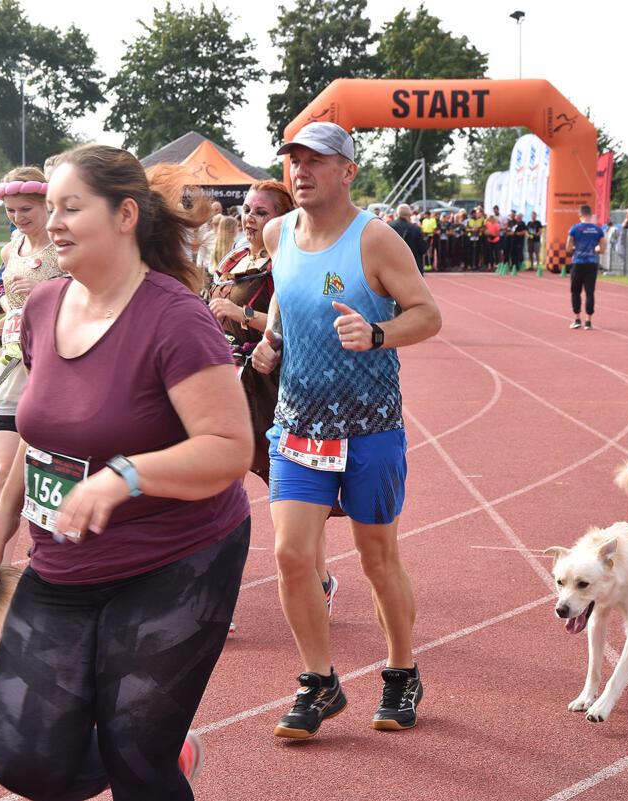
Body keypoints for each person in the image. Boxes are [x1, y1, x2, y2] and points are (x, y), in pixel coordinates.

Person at [0, 144, 253, 801]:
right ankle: (153, 741)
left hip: (174, 559)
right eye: (51, 207)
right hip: (64, 558)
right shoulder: (44, 306)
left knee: (138, 762)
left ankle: (153, 748)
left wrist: (122, 476)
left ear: (126, 215)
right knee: (23, 759)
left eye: (71, 208)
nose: (54, 222)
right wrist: (4, 510)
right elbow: (44, 427)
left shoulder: (175, 318)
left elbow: (228, 447)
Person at [253, 121, 442, 739]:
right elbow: (286, 295)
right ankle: (318, 681)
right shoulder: (278, 233)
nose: (301, 172)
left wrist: (378, 333)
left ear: (348, 171)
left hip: (369, 428)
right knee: (290, 555)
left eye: (315, 161)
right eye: (294, 161)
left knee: (377, 558)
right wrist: (272, 339)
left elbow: (428, 314)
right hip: (299, 425)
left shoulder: (376, 240)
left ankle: (402, 670)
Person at [208, 181, 338, 631]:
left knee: (296, 499)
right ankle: (214, 599)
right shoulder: (234, 260)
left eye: (260, 212)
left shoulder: (289, 262)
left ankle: (319, 581)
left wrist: (240, 314)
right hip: (224, 386)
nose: (249, 218)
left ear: (281, 220)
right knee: (215, 491)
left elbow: (301, 322)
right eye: (246, 210)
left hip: (271, 387)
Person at [0, 167, 64, 506]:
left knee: (49, 473)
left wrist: (46, 290)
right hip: (11, 368)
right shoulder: (10, 250)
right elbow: (13, 304)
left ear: (46, 203)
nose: (17, 217)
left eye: (26, 209)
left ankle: (51, 537)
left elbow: (91, 299)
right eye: (10, 210)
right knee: (3, 472)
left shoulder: (65, 246)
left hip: (54, 370)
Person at [566, 204, 606, 329]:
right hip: (591, 263)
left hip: (578, 263)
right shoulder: (598, 230)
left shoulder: (574, 229)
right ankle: (588, 321)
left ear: (580, 214)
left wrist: (576, 248)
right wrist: (595, 249)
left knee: (575, 291)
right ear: (590, 214)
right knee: (590, 292)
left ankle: (577, 318)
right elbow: (602, 249)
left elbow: (568, 248)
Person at [389, 203, 427, 268]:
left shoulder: (389, 227)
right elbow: (422, 248)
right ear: (410, 214)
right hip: (413, 265)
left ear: (397, 214)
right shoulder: (415, 229)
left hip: (394, 265)